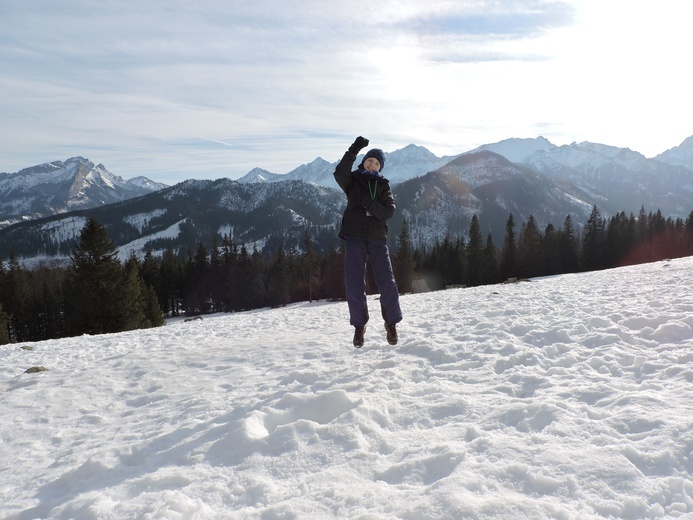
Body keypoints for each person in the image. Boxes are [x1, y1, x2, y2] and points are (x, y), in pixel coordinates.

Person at [333, 136, 403, 348]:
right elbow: (339, 172)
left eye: (376, 163)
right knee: (354, 283)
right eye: (369, 161)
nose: (372, 165)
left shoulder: (383, 185)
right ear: (363, 162)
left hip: (376, 238)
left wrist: (367, 204)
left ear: (380, 167)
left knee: (387, 282)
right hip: (354, 235)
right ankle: (359, 327)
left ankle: (391, 323)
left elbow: (388, 211)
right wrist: (355, 148)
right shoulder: (352, 180)